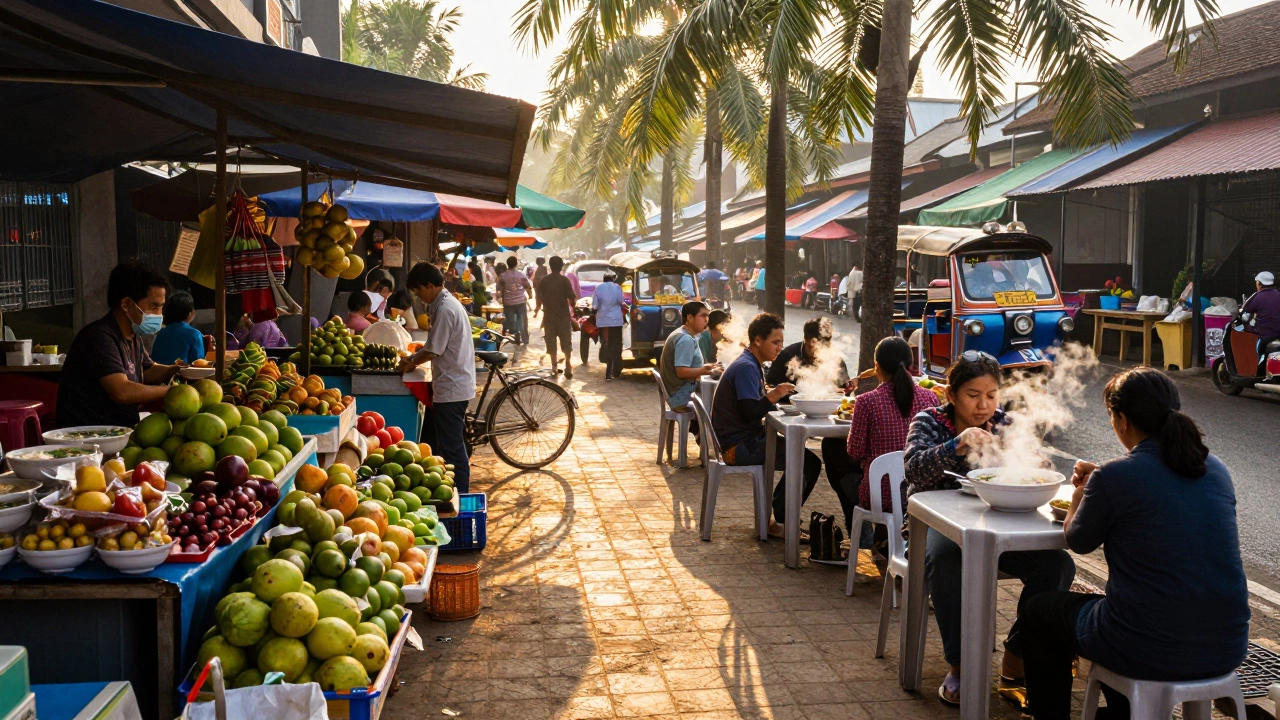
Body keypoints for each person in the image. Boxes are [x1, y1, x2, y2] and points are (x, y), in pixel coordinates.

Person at [1018, 368, 1249, 720]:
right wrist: (1100, 484)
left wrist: (1081, 494)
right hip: (1227, 645)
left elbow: (1077, 541)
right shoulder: (1214, 468)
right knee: (1121, 613)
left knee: (1039, 610)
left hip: (1147, 646)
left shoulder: (1116, 475)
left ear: (1122, 419)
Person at [903, 352, 1076, 706]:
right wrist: (958, 443)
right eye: (972, 395)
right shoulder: (929, 420)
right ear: (951, 394)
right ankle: (961, 665)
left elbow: (1029, 469)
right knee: (949, 563)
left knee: (1058, 565)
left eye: (991, 395)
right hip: (935, 526)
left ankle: (1016, 654)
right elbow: (914, 471)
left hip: (996, 522)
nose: (983, 405)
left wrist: (1035, 463)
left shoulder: (1005, 423)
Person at [712, 313, 833, 539]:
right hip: (737, 447)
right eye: (775, 342)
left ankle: (779, 516)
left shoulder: (751, 363)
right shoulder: (747, 367)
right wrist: (774, 395)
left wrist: (772, 397)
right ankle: (784, 520)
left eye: (781, 342)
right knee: (808, 462)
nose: (779, 347)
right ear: (758, 340)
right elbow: (750, 412)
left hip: (741, 440)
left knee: (804, 459)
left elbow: (751, 407)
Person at [58, 262, 182, 427]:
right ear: (126, 304)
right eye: (154, 307)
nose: (159, 315)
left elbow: (148, 370)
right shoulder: (99, 337)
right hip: (89, 437)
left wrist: (179, 369)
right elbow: (122, 391)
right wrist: (173, 392)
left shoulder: (133, 336)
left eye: (161, 307)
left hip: (120, 430)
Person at [842, 337, 939, 531]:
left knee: (839, 467)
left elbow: (855, 451)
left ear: (876, 366)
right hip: (921, 493)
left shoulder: (866, 402)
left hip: (881, 494)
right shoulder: (930, 397)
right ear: (911, 365)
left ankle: (865, 537)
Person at [398, 262, 477, 492]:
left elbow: (434, 350)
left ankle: (460, 496)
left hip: (453, 388)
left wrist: (411, 362)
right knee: (447, 445)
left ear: (430, 285)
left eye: (419, 291)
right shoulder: (443, 304)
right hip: (452, 383)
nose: (419, 298)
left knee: (453, 449)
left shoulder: (445, 309)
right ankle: (452, 492)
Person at [659, 301, 719, 412]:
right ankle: (704, 428)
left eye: (708, 316)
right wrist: (704, 371)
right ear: (690, 317)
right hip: (680, 397)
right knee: (722, 402)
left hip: (679, 393)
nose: (706, 320)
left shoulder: (687, 334)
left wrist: (708, 367)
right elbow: (682, 372)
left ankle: (701, 428)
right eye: (703, 316)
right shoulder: (685, 339)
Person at [765, 316, 850, 391]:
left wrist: (846, 388)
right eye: (817, 347)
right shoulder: (787, 356)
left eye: (826, 345)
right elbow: (770, 387)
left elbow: (844, 388)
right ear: (806, 340)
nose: (821, 353)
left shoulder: (835, 359)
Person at [537, 256, 578, 378]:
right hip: (563, 316)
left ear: (550, 266)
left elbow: (539, 297)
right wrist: (574, 309)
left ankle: (554, 366)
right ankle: (568, 365)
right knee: (566, 341)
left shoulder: (544, 280)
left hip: (549, 316)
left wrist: (538, 309)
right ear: (561, 267)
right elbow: (572, 298)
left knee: (551, 340)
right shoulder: (564, 280)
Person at [151, 290, 204, 365]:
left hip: (159, 375)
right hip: (180, 375)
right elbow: (199, 364)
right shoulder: (194, 334)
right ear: (190, 313)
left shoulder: (161, 332)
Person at [1242, 270, 1280, 373]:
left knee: (1256, 351)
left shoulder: (1258, 297)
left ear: (1259, 284)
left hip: (1265, 335)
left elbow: (1246, 317)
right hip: (1278, 334)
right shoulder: (1278, 295)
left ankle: (1256, 373)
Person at [592, 272, 627, 380]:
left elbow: (595, 306)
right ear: (612, 279)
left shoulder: (598, 288)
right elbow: (621, 302)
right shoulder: (617, 287)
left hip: (603, 322)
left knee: (606, 344)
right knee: (616, 345)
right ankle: (616, 371)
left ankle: (608, 372)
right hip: (616, 321)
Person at [497, 256, 532, 345]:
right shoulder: (521, 275)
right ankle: (525, 339)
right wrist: (530, 295)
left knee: (511, 321)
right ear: (516, 264)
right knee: (523, 321)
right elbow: (528, 286)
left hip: (508, 303)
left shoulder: (503, 276)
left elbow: (498, 289)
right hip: (520, 302)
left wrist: (499, 298)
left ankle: (516, 336)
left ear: (507, 264)